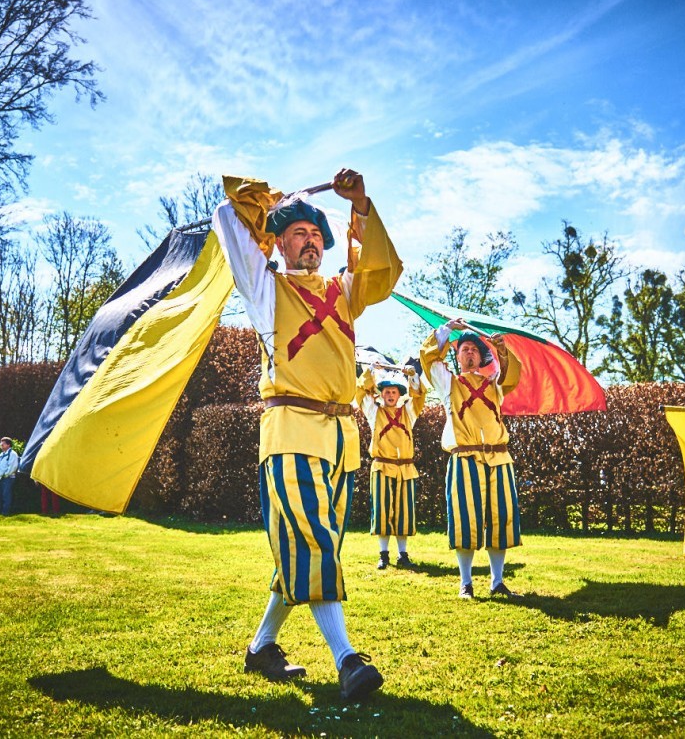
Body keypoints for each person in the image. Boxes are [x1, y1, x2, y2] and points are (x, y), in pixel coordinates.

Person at [212, 168, 402, 700]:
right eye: (298, 232)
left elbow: (383, 273)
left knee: (308, 550)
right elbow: (228, 218)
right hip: (290, 433)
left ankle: (261, 648)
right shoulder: (263, 288)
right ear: (277, 241)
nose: (311, 240)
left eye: (317, 233)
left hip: (342, 441)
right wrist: (263, 201)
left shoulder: (344, 290)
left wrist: (359, 205)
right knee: (316, 544)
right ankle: (347, 661)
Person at [420, 319, 523, 601]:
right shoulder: (448, 384)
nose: (469, 353)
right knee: (465, 520)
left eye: (474, 350)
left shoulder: (495, 385)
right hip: (465, 458)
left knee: (500, 520)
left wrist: (502, 350)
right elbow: (428, 360)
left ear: (481, 357)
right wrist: (445, 331)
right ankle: (466, 583)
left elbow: (512, 375)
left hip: (499, 458)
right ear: (457, 356)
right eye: (464, 349)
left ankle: (497, 582)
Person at [355, 362, 425, 570]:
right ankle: (383, 554)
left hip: (405, 468)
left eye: (394, 392)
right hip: (382, 467)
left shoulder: (408, 413)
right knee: (383, 511)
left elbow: (419, 396)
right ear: (382, 394)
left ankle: (402, 554)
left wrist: (412, 376)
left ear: (399, 394)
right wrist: (371, 371)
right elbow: (361, 392)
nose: (391, 395)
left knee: (404, 511)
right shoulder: (373, 413)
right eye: (387, 392)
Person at [0, 437, 19, 515]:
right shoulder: (0, 455)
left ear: (8, 445)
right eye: (1, 443)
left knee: (6, 496)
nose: (1, 445)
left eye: (3, 444)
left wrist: (5, 475)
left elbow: (13, 467)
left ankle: (5, 513)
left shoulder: (13, 454)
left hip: (8, 478)